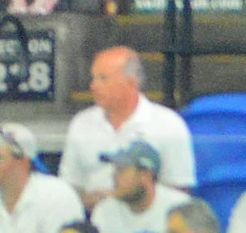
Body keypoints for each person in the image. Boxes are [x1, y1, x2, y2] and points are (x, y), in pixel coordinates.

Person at [59, 49, 196, 205]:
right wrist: (95, 203)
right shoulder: (81, 123)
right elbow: (69, 186)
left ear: (131, 83)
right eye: (93, 78)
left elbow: (179, 191)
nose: (93, 86)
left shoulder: (168, 124)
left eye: (103, 79)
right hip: (92, 218)